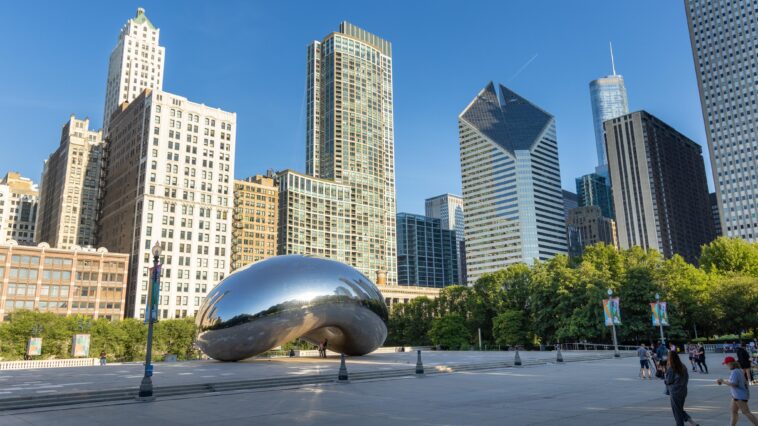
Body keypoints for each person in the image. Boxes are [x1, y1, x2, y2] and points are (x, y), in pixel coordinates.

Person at [717, 356, 758, 426]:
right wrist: (725, 381)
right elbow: (735, 381)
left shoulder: (735, 371)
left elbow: (734, 383)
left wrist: (723, 381)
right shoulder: (738, 370)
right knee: (733, 411)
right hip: (737, 395)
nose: (726, 366)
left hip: (740, 396)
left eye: (726, 364)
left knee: (746, 412)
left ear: (730, 363)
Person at [665, 352, 699, 426]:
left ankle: (684, 423)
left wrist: (664, 373)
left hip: (675, 392)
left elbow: (668, 381)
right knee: (679, 409)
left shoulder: (671, 368)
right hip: (683, 391)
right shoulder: (683, 366)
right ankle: (692, 422)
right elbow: (686, 378)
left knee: (677, 412)